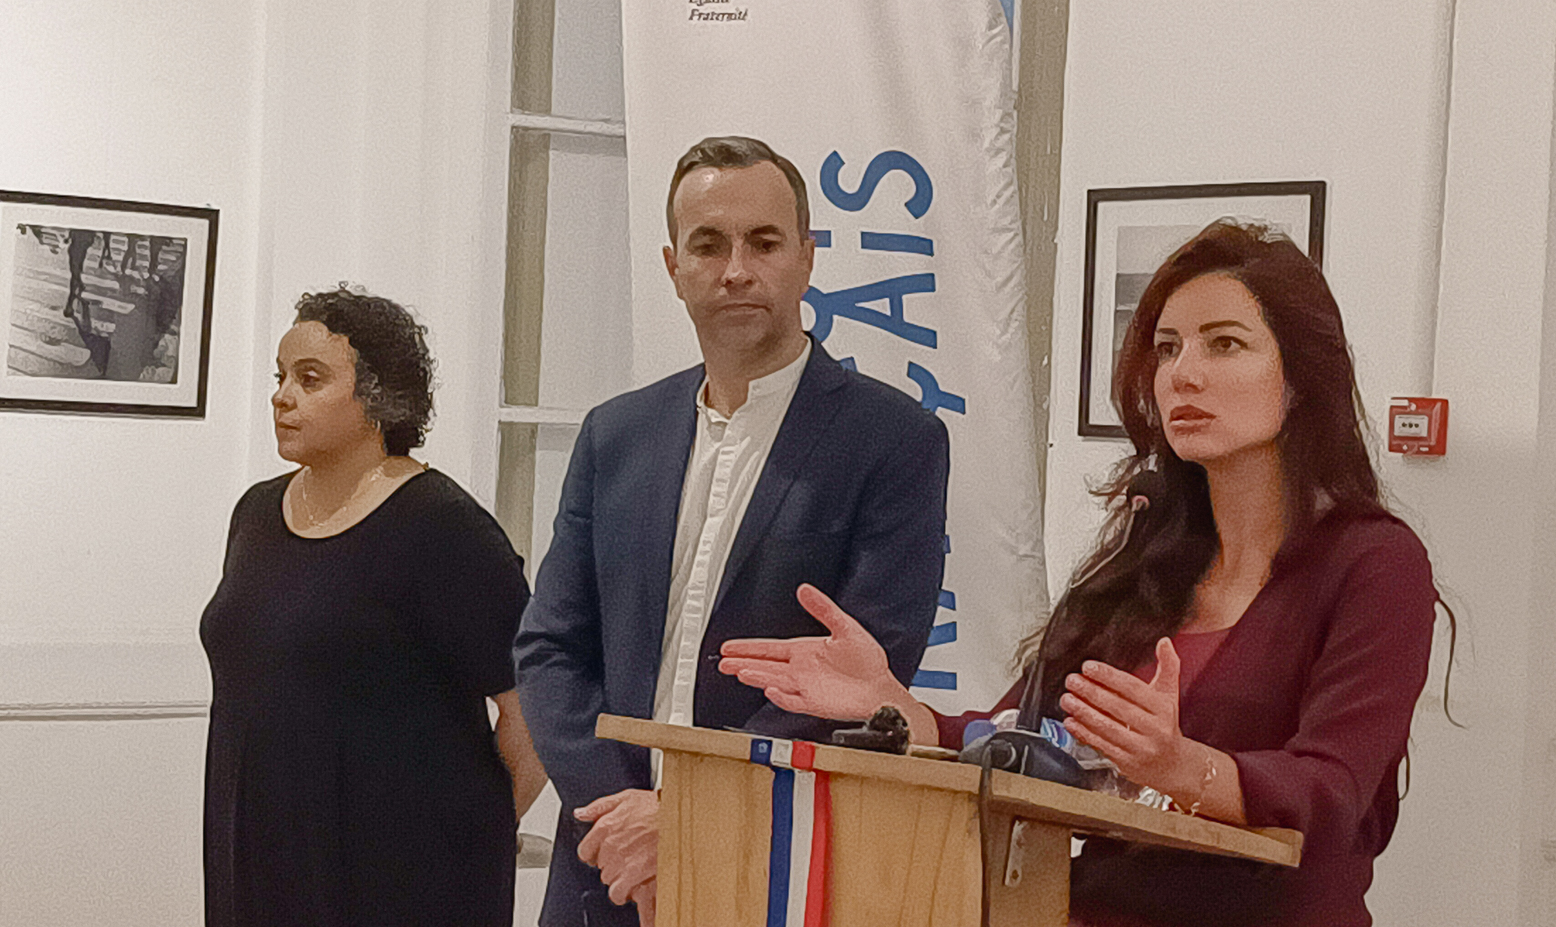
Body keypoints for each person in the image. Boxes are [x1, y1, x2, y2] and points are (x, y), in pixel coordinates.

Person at [720, 219, 1447, 926]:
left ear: (1301, 379)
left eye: (1224, 344)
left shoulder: (1374, 564)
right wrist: (896, 708)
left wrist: (1180, 765)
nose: (1183, 374)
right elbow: (1029, 737)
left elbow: (1333, 788)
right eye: (1167, 348)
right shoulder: (1146, 554)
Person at [514, 135, 951, 927]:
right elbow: (550, 648)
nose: (736, 270)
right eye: (709, 245)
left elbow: (864, 670)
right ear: (673, 265)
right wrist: (619, 818)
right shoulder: (615, 435)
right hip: (603, 869)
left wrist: (688, 815)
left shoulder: (895, 443)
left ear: (807, 258)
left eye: (764, 243)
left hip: (776, 864)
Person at [201, 287, 547, 927]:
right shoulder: (255, 513)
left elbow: (533, 707)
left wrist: (470, 837)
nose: (282, 397)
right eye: (280, 377)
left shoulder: (442, 527)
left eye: (310, 379)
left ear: (378, 397)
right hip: (258, 857)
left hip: (399, 884)